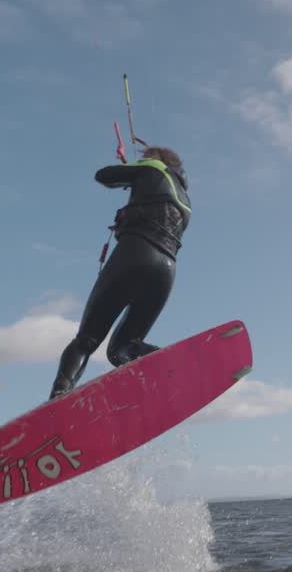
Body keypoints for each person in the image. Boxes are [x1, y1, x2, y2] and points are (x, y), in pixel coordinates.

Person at [48, 144, 192, 400]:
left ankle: (58, 396)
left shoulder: (151, 167)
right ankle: (173, 365)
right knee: (123, 349)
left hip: (135, 256)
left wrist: (132, 169)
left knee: (86, 341)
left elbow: (103, 175)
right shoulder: (185, 198)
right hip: (166, 271)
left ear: (155, 159)